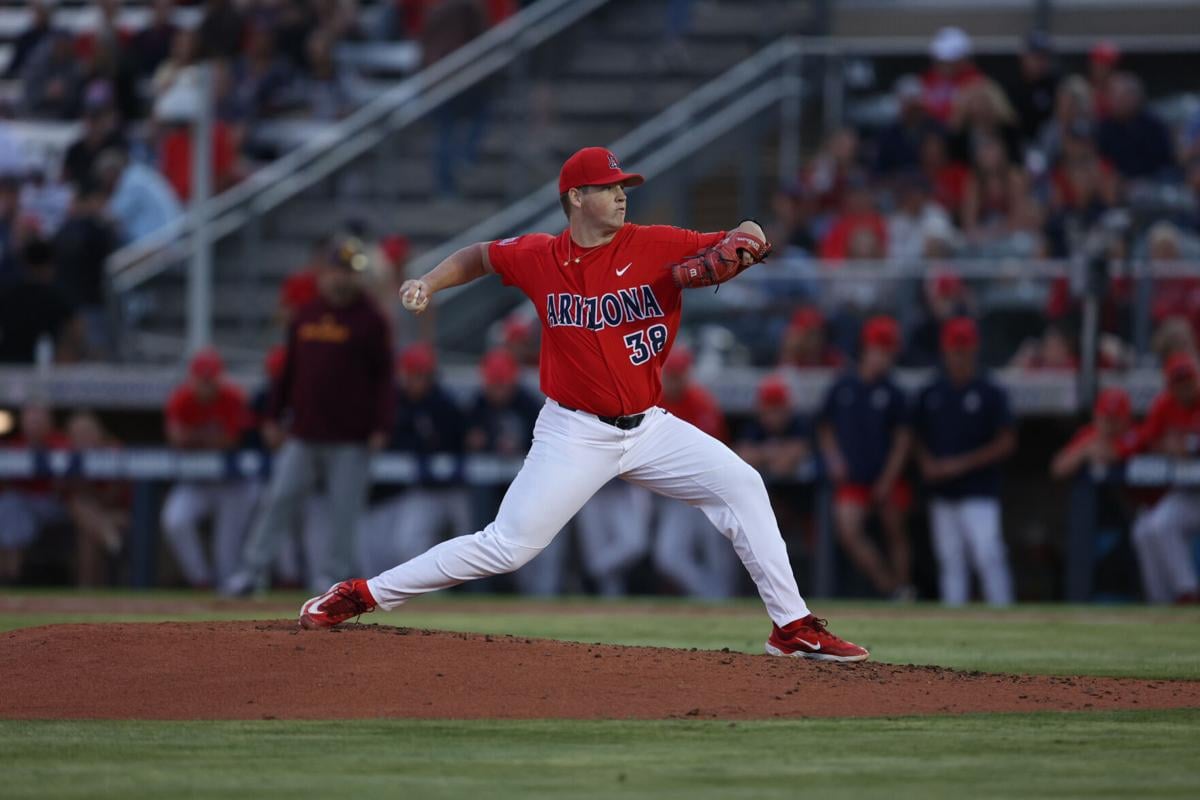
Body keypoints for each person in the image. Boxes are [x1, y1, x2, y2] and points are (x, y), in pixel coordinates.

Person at [298, 146, 869, 662]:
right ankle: (362, 593)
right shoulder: (539, 256)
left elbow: (745, 231)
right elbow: (480, 256)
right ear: (576, 196)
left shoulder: (654, 243)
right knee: (507, 547)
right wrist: (428, 280)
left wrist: (746, 241)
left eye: (624, 187)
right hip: (574, 432)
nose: (622, 195)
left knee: (743, 484)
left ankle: (790, 626)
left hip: (651, 429)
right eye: (610, 187)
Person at [229, 236, 394, 594]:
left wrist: (381, 424)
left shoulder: (370, 320)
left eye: (351, 272)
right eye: (339, 270)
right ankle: (252, 572)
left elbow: (384, 377)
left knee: (343, 514)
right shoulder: (305, 314)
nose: (344, 278)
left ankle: (333, 579)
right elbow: (287, 372)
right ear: (326, 272)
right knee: (279, 500)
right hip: (304, 431)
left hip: (351, 435)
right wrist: (273, 416)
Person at [913, 317, 1017, 606]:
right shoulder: (932, 390)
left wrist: (959, 464)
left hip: (979, 490)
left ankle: (1004, 613)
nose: (959, 356)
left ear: (975, 350)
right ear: (945, 351)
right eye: (954, 349)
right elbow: (914, 433)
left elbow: (1007, 441)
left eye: (964, 349)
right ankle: (953, 622)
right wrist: (927, 462)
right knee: (950, 560)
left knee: (987, 553)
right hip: (943, 492)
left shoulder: (989, 390)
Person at [818, 316, 914, 600]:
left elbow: (903, 440)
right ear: (866, 348)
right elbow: (825, 426)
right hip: (854, 476)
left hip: (888, 476)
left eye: (888, 351)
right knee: (847, 528)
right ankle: (890, 587)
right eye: (878, 349)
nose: (882, 357)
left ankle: (905, 588)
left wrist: (888, 478)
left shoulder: (894, 392)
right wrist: (833, 458)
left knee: (895, 528)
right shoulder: (843, 385)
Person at [358, 343, 470, 576]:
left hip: (450, 487)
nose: (416, 381)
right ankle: (424, 598)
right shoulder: (391, 402)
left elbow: (461, 442)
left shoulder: (444, 404)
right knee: (403, 545)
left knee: (470, 540)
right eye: (412, 375)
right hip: (404, 491)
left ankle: (473, 595)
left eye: (421, 375)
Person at [463, 348, 566, 595]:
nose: (498, 389)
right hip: (489, 490)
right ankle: (483, 594)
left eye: (502, 383)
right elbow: (463, 441)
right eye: (494, 383)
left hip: (534, 489)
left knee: (539, 547)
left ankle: (543, 600)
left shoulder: (530, 405)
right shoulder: (476, 405)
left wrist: (519, 446)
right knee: (483, 538)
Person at [160, 349, 258, 589]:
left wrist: (195, 437)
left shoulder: (233, 397)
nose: (206, 386)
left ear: (218, 378)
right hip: (197, 482)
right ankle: (200, 580)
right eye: (201, 380)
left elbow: (231, 440)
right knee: (175, 520)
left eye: (210, 379)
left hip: (232, 484)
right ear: (192, 379)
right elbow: (176, 438)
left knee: (226, 551)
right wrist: (207, 437)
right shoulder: (181, 399)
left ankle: (228, 597)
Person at [652, 347, 737, 599]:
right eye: (670, 374)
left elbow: (714, 451)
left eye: (679, 374)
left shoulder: (701, 402)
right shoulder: (654, 400)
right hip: (678, 496)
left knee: (717, 555)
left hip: (711, 489)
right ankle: (712, 597)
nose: (674, 380)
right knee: (667, 556)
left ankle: (725, 603)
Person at [1125, 354, 1200, 604]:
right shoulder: (1165, 404)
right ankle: (1161, 601)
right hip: (1188, 492)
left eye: (1187, 381)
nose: (1183, 388)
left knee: (1162, 523)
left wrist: (1187, 446)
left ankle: (1187, 591)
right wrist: (1169, 446)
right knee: (1146, 528)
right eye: (1177, 383)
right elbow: (1147, 440)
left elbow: (1189, 446)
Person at [736, 375, 813, 550]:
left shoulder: (799, 423)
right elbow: (742, 455)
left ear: (787, 407)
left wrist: (764, 454)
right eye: (769, 409)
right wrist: (773, 452)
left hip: (800, 503)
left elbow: (785, 465)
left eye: (777, 408)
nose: (773, 415)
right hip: (766, 501)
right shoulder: (754, 426)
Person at [0, 402, 70, 584]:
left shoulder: (61, 443)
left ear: (49, 422)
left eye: (39, 420)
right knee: (9, 505)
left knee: (12, 507)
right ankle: (9, 576)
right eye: (31, 421)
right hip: (21, 506)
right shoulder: (14, 446)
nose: (35, 425)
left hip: (55, 505)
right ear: (23, 423)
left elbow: (66, 485)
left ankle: (12, 578)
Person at [62, 409, 129, 587]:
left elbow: (113, 496)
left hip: (119, 513)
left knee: (87, 521)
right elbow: (65, 494)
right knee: (81, 509)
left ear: (99, 432)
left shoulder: (114, 451)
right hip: (90, 518)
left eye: (87, 432)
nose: (83, 438)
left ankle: (87, 588)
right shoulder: (67, 456)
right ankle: (110, 540)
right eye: (78, 434)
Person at [0, 238, 84, 364]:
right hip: (47, 368)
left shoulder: (9, 293)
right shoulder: (57, 296)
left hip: (9, 364)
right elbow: (76, 330)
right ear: (51, 264)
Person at [1096, 73, 1176, 181]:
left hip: (1153, 181)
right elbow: (1102, 159)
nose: (1119, 101)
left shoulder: (1154, 125)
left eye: (1125, 96)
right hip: (1118, 183)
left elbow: (1164, 158)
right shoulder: (1104, 128)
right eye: (1115, 96)